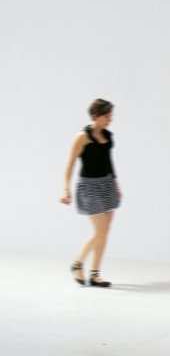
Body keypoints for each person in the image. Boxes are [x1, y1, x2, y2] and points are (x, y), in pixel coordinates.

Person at [60, 98, 122, 287]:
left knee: (104, 231)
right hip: (89, 187)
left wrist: (116, 184)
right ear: (95, 116)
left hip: (107, 184)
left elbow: (109, 162)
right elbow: (70, 164)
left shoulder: (108, 136)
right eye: (107, 116)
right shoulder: (82, 137)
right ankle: (78, 263)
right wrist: (66, 190)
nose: (110, 119)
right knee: (100, 231)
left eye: (110, 116)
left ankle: (95, 274)